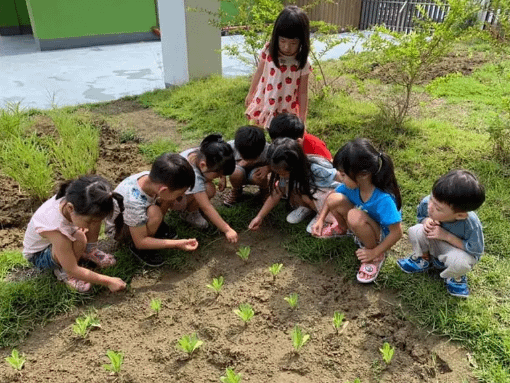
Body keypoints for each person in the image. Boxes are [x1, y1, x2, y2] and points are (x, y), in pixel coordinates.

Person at [311, 138, 403, 284]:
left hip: (380, 234)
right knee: (335, 198)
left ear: (363, 174)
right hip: (364, 221)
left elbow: (397, 232)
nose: (340, 178)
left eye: (343, 174)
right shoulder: (352, 186)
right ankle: (342, 229)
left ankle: (373, 256)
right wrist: (321, 219)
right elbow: (331, 198)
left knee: (354, 215)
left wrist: (375, 251)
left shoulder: (383, 199)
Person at [23, 175, 127, 293]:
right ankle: (65, 273)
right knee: (79, 238)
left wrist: (82, 225)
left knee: (89, 223)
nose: (92, 225)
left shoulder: (78, 200)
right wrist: (108, 281)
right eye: (89, 221)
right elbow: (72, 269)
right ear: (70, 208)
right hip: (39, 255)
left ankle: (90, 251)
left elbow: (89, 218)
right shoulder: (55, 228)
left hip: (62, 236)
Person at [396, 170, 485, 298]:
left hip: (455, 251)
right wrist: (426, 221)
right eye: (432, 199)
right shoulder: (430, 202)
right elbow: (421, 217)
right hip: (434, 239)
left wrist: (446, 236)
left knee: (461, 262)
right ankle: (424, 259)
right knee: (415, 230)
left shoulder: (471, 224)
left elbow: (476, 250)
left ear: (460, 215)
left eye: (438, 208)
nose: (430, 207)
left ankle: (455, 277)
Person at [105, 153, 199, 267]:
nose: (181, 196)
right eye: (180, 193)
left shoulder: (152, 179)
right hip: (119, 229)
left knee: (164, 202)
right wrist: (178, 243)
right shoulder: (133, 202)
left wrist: (172, 197)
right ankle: (139, 248)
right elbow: (141, 242)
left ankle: (154, 227)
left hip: (133, 216)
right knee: (155, 213)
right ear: (163, 190)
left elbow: (165, 196)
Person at [248, 137, 340, 231]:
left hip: (330, 196)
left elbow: (339, 177)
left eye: (283, 173)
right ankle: (309, 208)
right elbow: (277, 193)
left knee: (304, 193)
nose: (281, 176)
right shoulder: (288, 174)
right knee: (296, 189)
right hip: (313, 194)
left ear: (295, 165)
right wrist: (259, 217)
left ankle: (325, 217)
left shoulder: (315, 168)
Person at [245, 5, 312, 129]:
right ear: (276, 36)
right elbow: (259, 73)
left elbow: (303, 92)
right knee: (258, 130)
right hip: (265, 101)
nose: (287, 47)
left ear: (302, 41)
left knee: (282, 136)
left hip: (286, 107)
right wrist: (251, 93)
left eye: (293, 43)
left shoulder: (303, 63)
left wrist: (302, 118)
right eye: (282, 41)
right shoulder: (269, 51)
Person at [268, 113, 333, 223]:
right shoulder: (283, 153)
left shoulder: (314, 148)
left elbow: (330, 166)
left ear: (297, 141)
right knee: (288, 185)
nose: (276, 145)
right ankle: (306, 207)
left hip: (319, 185)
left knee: (304, 192)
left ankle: (322, 213)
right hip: (301, 180)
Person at [180, 134, 238, 243]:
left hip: (183, 187)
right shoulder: (194, 176)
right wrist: (227, 229)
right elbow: (206, 206)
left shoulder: (204, 153)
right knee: (209, 189)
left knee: (209, 187)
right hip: (176, 200)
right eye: (217, 174)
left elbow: (221, 160)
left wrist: (222, 177)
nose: (217, 177)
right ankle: (188, 213)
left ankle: (192, 207)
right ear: (203, 165)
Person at [223, 125, 270, 207]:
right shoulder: (230, 148)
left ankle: (264, 190)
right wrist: (222, 177)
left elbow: (277, 162)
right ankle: (237, 190)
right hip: (239, 174)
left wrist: (268, 168)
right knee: (235, 172)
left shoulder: (268, 149)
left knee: (260, 175)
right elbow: (222, 162)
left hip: (256, 174)